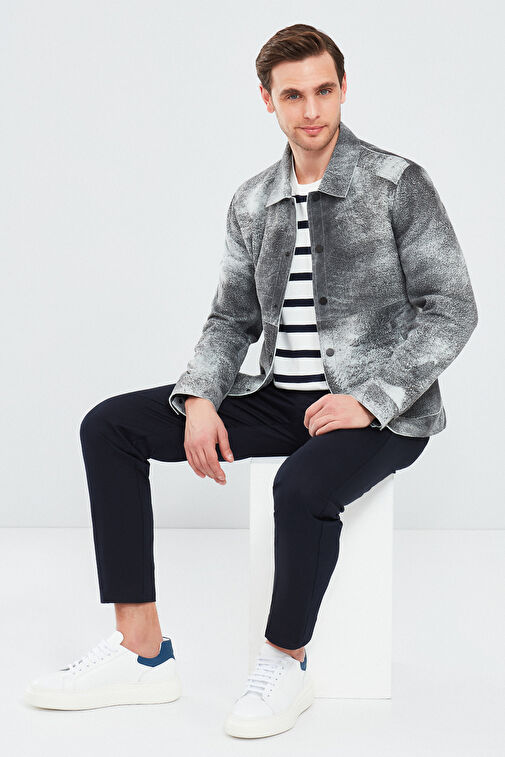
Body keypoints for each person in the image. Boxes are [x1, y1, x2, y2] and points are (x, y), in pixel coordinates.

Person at [23, 23, 478, 739]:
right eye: (293, 95)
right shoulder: (252, 200)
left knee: (299, 488)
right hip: (274, 397)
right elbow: (230, 318)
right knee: (108, 426)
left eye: (323, 90)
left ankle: (284, 661)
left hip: (383, 413)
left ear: (344, 88)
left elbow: (450, 308)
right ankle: (142, 653)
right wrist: (201, 397)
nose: (311, 111)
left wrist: (370, 400)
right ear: (267, 99)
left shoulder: (396, 184)